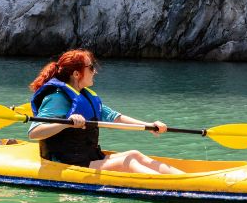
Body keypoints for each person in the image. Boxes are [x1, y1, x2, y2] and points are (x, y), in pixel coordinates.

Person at [27, 49, 184, 174]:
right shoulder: (57, 98)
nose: (94, 71)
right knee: (126, 161)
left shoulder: (84, 96)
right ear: (76, 74)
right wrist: (67, 124)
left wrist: (149, 125)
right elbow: (34, 132)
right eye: (91, 68)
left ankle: (184, 179)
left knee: (134, 154)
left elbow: (115, 118)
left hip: (87, 157)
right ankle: (175, 188)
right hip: (65, 163)